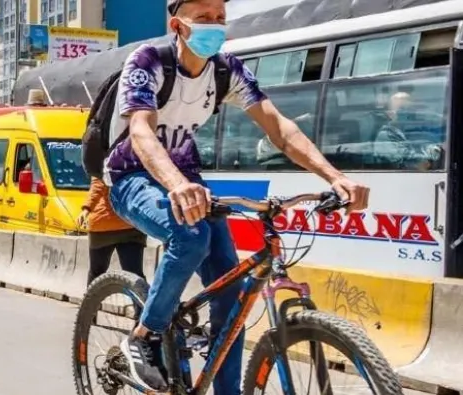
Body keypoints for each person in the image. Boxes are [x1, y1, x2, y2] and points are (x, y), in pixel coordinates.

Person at [101, 0, 370, 393]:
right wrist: (177, 185)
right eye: (203, 17)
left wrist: (335, 177)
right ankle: (145, 336)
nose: (215, 25)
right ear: (177, 25)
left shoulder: (227, 71)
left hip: (187, 179)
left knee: (232, 301)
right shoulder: (149, 61)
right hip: (131, 175)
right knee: (191, 236)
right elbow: (141, 130)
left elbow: (279, 128)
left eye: (220, 18)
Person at [76, 176, 146, 283]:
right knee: (135, 275)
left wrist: (87, 209)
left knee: (97, 273)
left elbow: (97, 187)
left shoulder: (103, 166)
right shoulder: (138, 167)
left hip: (104, 226)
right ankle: (142, 295)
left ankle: (92, 295)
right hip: (131, 223)